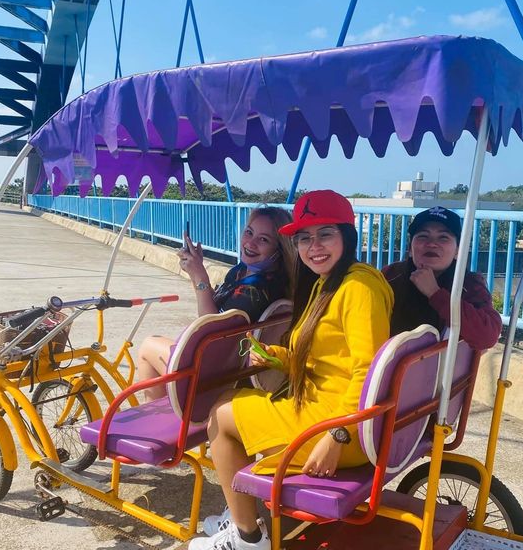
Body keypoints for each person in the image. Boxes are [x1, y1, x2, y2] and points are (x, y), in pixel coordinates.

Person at [189, 190, 393, 550]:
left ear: (347, 235)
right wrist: (277, 356)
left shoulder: (358, 288)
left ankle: (248, 538)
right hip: (327, 412)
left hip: (336, 428)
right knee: (230, 400)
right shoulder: (329, 282)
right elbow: (325, 356)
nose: (314, 246)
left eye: (325, 234)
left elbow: (368, 373)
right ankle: (242, 514)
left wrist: (338, 437)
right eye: (304, 238)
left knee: (219, 419)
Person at [136, 206, 295, 400]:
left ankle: (160, 423)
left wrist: (199, 276)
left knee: (147, 346)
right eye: (249, 232)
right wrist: (197, 273)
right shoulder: (244, 272)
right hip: (227, 365)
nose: (250, 243)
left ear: (279, 249)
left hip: (217, 375)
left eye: (263, 239)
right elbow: (222, 311)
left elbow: (211, 329)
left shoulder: (255, 292)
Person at [382, 206, 501, 350]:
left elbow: (487, 337)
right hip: (388, 364)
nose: (431, 244)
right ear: (410, 249)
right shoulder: (392, 275)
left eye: (443, 237)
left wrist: (435, 293)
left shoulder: (469, 285)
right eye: (423, 236)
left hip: (440, 370)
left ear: (457, 251)